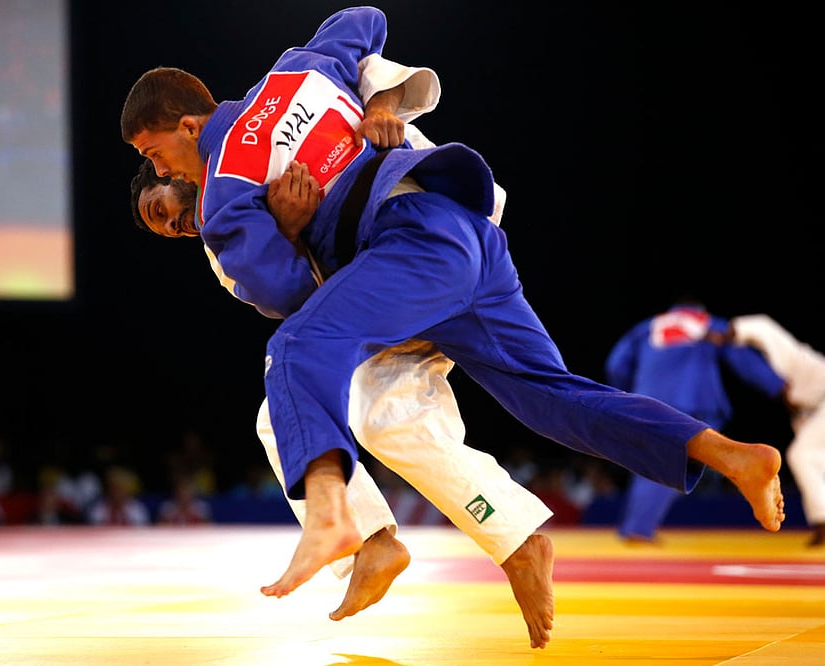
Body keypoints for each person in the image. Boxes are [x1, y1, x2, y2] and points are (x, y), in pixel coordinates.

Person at [121, 6, 784, 648]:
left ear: (185, 125)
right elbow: (362, 19)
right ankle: (726, 454)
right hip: (466, 231)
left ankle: (340, 523)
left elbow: (287, 293)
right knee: (546, 396)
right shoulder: (296, 72)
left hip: (407, 255)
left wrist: (296, 223)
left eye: (156, 160)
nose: (165, 177)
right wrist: (380, 97)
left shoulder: (227, 197)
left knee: (294, 355)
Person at [128, 51, 554, 636]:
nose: (178, 224)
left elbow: (363, 50)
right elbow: (302, 303)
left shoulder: (265, 116)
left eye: (166, 206)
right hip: (393, 288)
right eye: (167, 231)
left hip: (429, 227)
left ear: (178, 154)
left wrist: (383, 103)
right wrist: (289, 231)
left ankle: (416, 544)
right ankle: (416, 543)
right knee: (366, 418)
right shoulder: (227, 239)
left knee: (324, 407)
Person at [605, 298, 786, 542]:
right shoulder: (709, 323)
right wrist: (778, 387)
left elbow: (616, 363)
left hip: (647, 401)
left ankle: (637, 525)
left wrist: (627, 394)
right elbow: (743, 358)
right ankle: (639, 528)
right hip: (694, 400)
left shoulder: (648, 326)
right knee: (674, 462)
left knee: (652, 463)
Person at [727, 314, 825, 547]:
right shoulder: (801, 404)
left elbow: (763, 326)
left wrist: (734, 330)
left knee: (801, 455)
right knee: (813, 459)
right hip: (817, 409)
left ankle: (823, 521)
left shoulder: (798, 360)